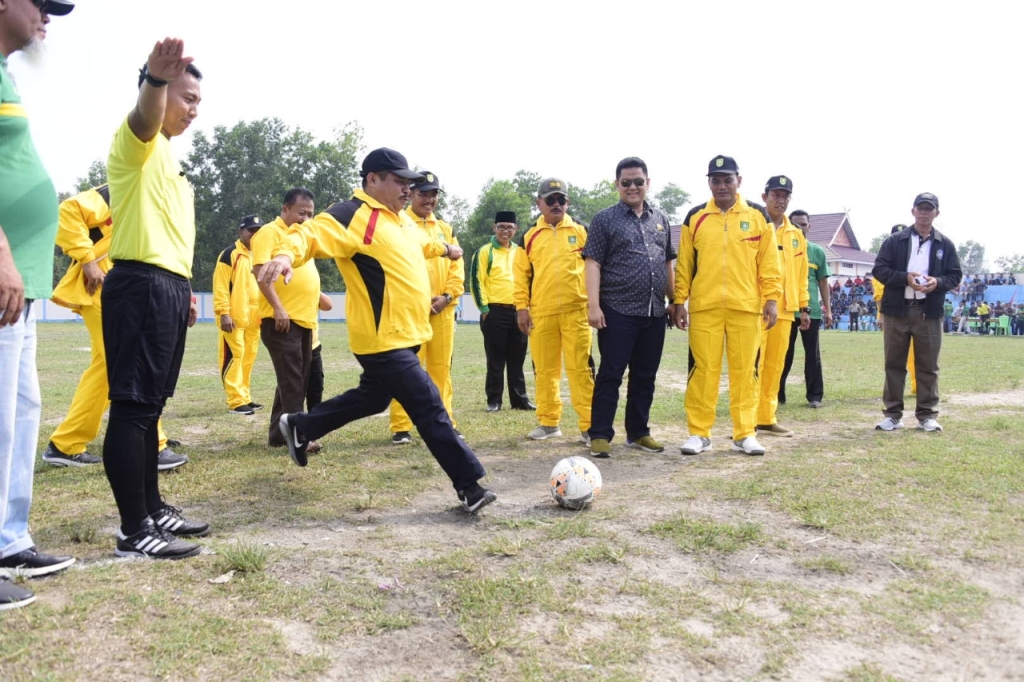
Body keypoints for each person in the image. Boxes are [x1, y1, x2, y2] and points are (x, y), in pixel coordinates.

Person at [260, 148, 497, 513]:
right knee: (428, 404)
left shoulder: (401, 220)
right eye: (399, 181)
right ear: (372, 179)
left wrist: (447, 248)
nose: (407, 189)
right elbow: (308, 235)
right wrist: (283, 256)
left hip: (409, 333)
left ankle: (300, 426)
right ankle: (470, 485)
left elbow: (421, 245)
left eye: (409, 183)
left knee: (373, 398)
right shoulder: (351, 215)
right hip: (382, 339)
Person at [100, 38, 209, 560]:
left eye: (198, 102)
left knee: (152, 407)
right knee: (133, 407)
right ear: (158, 93)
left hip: (167, 287)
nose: (193, 110)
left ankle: (153, 508)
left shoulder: (170, 158)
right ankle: (133, 530)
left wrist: (184, 288)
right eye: (186, 98)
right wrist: (156, 80)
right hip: (140, 284)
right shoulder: (137, 142)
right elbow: (145, 117)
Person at [0, 0, 77, 611]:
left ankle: (9, 538)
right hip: (4, 271)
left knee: (22, 413)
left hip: (21, 280)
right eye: (42, 3)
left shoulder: (5, 74)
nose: (47, 17)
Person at [44, 186, 188, 470]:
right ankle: (150, 444)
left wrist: (185, 294)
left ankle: (66, 443)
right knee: (133, 362)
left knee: (109, 367)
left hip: (133, 288)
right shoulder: (124, 186)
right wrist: (88, 262)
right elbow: (68, 211)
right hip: (106, 286)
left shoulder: (158, 198)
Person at [672, 155, 781, 457]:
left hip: (745, 308)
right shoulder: (695, 217)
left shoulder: (758, 216)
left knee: (745, 372)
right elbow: (685, 264)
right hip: (704, 308)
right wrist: (679, 301)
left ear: (739, 181)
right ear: (709, 183)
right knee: (702, 371)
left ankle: (744, 433)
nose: (722, 186)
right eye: (716, 180)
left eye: (727, 180)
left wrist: (772, 299)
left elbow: (769, 263)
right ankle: (699, 433)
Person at [583, 157, 675, 457]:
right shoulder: (604, 219)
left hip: (654, 311)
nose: (632, 187)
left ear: (648, 183)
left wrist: (674, 301)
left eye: (638, 181)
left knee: (645, 376)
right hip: (617, 310)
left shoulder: (660, 219)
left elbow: (667, 263)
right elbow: (593, 263)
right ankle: (600, 434)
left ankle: (638, 432)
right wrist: (593, 306)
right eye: (626, 182)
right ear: (617, 185)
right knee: (611, 373)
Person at [873, 192, 962, 432]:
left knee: (928, 365)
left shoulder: (945, 243)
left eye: (929, 209)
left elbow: (955, 275)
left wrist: (937, 282)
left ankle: (927, 415)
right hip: (897, 311)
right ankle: (893, 415)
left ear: (937, 213)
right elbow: (879, 270)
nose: (924, 213)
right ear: (913, 211)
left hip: (928, 312)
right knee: (894, 364)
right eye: (920, 208)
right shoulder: (895, 241)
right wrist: (905, 278)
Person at [515, 178, 594, 444]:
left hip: (577, 311)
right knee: (545, 371)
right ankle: (549, 422)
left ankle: (589, 425)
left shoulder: (582, 230)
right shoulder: (529, 236)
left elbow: (596, 269)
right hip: (542, 313)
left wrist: (595, 304)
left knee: (580, 370)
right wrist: (521, 308)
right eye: (550, 200)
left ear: (567, 202)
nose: (556, 204)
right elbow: (521, 276)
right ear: (539, 203)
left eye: (561, 199)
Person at [389, 171, 464, 445]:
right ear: (410, 194)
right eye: (423, 194)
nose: (429, 200)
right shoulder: (398, 223)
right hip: (409, 310)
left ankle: (445, 422)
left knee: (441, 369)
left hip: (442, 310)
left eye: (433, 195)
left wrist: (448, 296)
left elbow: (457, 267)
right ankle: (401, 426)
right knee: (406, 370)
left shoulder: (446, 229)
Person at [250, 188, 320, 450]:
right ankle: (298, 435)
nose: (306, 219)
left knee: (295, 379)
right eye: (302, 212)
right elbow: (260, 273)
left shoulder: (302, 238)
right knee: (292, 380)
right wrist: (278, 308)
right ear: (285, 209)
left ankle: (278, 435)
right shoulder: (269, 232)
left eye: (310, 214)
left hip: (304, 320)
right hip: (281, 319)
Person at [755, 177, 809, 438]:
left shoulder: (796, 235)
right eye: (776, 195)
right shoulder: (756, 225)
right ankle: (746, 419)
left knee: (775, 365)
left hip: (786, 310)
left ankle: (766, 417)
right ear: (764, 197)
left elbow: (801, 274)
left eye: (785, 196)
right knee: (753, 365)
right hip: (757, 308)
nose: (781, 200)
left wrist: (804, 307)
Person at [470, 211, 532, 412]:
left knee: (517, 358)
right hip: (494, 311)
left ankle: (519, 400)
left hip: (518, 311)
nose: (505, 231)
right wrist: (484, 309)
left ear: (516, 229)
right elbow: (476, 281)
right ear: (494, 228)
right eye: (501, 227)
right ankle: (494, 400)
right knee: (495, 359)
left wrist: (526, 308)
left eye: (510, 227)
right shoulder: (484, 252)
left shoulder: (520, 251)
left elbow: (527, 279)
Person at [779, 210, 832, 408]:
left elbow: (823, 283)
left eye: (803, 224)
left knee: (813, 355)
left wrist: (828, 310)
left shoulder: (817, 251)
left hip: (812, 311)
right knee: (783, 354)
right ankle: (777, 395)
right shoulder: (780, 247)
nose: (799, 228)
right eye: (795, 224)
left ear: (809, 227)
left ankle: (815, 396)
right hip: (786, 309)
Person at [213, 214, 263, 415]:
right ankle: (235, 401)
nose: (255, 235)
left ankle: (245, 396)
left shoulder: (260, 255)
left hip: (255, 316)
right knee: (235, 356)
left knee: (248, 357)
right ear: (241, 231)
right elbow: (221, 286)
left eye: (258, 231)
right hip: (234, 317)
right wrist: (223, 312)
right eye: (251, 230)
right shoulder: (229, 254)